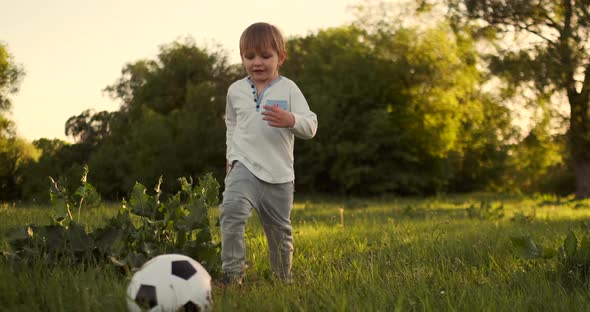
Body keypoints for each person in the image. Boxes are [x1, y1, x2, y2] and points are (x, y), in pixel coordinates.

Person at [220, 22, 318, 285]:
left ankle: (282, 279)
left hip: (279, 174)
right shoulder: (235, 91)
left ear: (280, 57)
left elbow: (311, 126)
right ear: (242, 58)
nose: (257, 63)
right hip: (244, 167)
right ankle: (232, 276)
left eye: (265, 56)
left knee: (279, 233)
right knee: (231, 211)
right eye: (249, 57)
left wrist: (291, 119)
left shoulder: (289, 89)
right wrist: (231, 158)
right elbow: (231, 124)